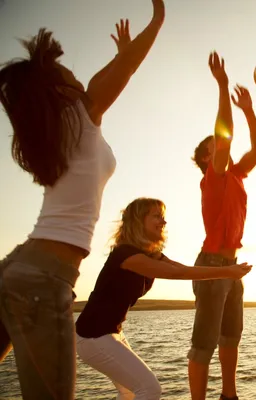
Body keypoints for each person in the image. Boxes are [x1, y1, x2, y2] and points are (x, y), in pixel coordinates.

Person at [0, 2, 165, 398]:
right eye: (68, 72)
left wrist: (121, 54)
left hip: (18, 266)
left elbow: (116, 69)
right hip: (44, 277)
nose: (77, 74)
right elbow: (123, 72)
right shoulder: (81, 115)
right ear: (63, 89)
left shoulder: (56, 132)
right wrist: (158, 17)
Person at [75, 198, 252, 400]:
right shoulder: (126, 256)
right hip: (92, 337)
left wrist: (227, 271)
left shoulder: (148, 253)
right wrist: (227, 271)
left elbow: (179, 267)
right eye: (156, 216)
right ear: (138, 220)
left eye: (163, 217)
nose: (163, 222)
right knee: (149, 389)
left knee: (130, 393)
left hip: (110, 333)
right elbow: (178, 274)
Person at [188, 52, 256, 400]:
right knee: (204, 342)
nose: (222, 148)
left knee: (231, 337)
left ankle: (229, 395)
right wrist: (222, 86)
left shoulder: (235, 175)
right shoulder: (214, 176)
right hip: (211, 266)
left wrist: (250, 110)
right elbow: (226, 138)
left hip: (231, 267)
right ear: (208, 158)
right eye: (215, 147)